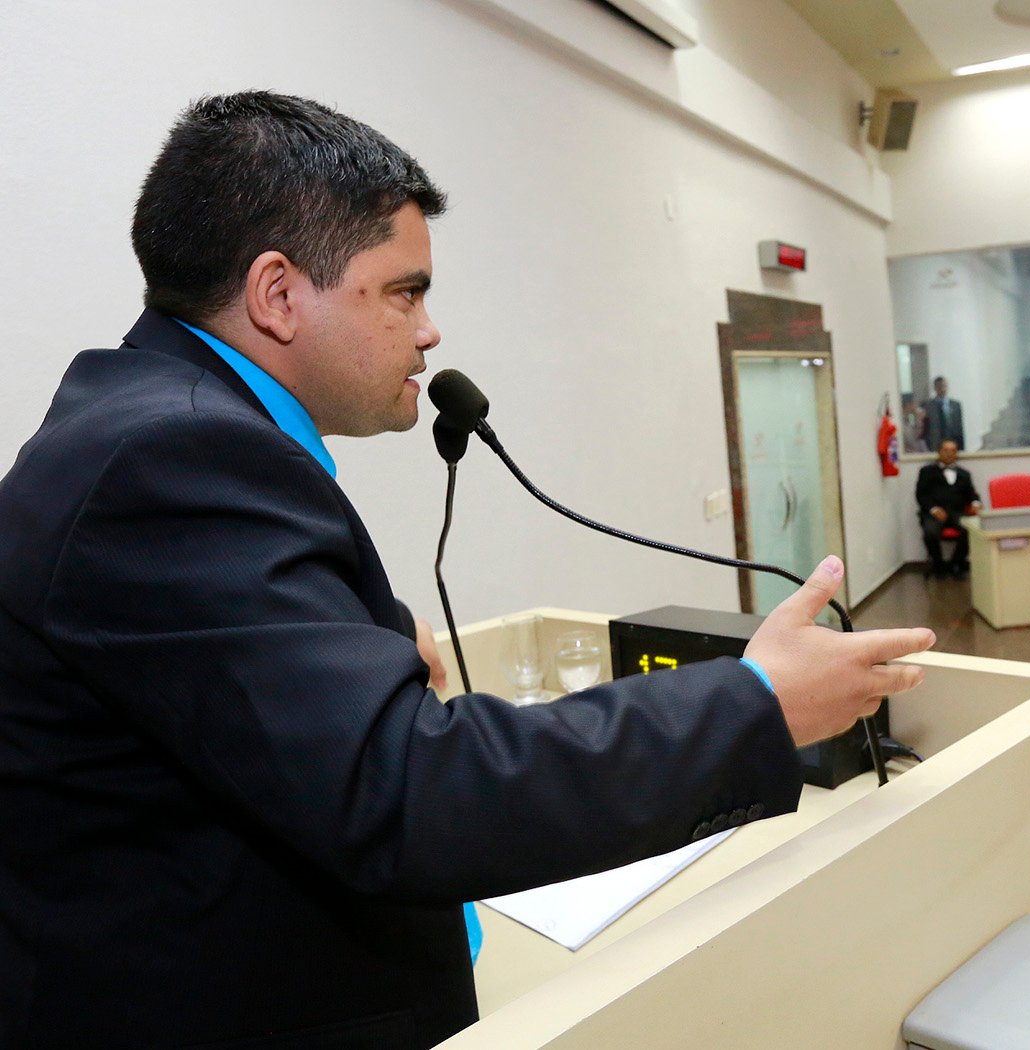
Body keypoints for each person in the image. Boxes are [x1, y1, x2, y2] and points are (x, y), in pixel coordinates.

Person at [0, 92, 935, 1049]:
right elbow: (403, 791)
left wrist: (358, 636)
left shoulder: (157, 429)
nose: (430, 330)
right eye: (405, 291)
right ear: (277, 294)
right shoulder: (175, 459)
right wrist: (756, 705)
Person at [916, 440, 981, 577]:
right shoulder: (926, 472)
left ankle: (956, 563)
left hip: (957, 512)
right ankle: (938, 565)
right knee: (930, 532)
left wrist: (975, 503)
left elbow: (972, 495)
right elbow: (921, 495)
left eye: (953, 451)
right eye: (945, 450)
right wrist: (934, 509)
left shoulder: (964, 474)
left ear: (956, 454)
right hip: (934, 513)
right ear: (939, 452)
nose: (949, 454)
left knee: (970, 529)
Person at [922, 375, 966, 450]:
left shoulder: (956, 405)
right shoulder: (928, 406)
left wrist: (962, 447)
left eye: (944, 386)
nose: (942, 389)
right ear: (935, 388)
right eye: (939, 387)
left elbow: (959, 428)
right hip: (935, 446)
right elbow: (926, 430)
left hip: (953, 444)